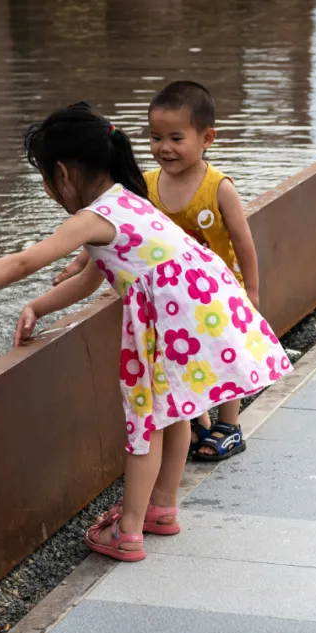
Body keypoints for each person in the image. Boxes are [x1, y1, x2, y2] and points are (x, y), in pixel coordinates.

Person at [0, 102, 290, 563]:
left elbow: (24, 261)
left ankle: (128, 532)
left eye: (48, 181)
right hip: (198, 312)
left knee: (146, 423)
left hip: (173, 320)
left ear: (64, 174)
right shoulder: (129, 201)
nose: (51, 192)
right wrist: (38, 305)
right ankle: (163, 509)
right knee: (173, 414)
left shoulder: (92, 218)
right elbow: (91, 279)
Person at [54, 81, 260, 462]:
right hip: (173, 299)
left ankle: (228, 424)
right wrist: (81, 261)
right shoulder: (144, 185)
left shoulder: (219, 188)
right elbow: (116, 230)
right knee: (184, 360)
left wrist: (252, 292)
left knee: (226, 356)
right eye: (155, 137)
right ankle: (196, 417)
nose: (164, 147)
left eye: (176, 138)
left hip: (216, 289)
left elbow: (243, 242)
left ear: (207, 138)